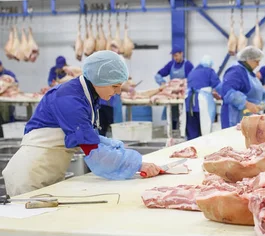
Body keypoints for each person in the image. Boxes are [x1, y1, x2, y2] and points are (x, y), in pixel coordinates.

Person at [2, 51, 162, 196]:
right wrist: (137, 164)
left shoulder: (86, 96)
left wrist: (114, 146)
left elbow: (89, 137)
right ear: (99, 80)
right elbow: (94, 153)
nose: (118, 92)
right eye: (115, 86)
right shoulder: (71, 100)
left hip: (48, 172)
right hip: (30, 177)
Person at [219, 46, 265, 129]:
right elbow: (228, 92)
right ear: (248, 59)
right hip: (235, 116)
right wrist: (247, 104)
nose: (258, 64)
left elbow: (256, 91)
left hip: (247, 116)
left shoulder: (249, 73)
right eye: (256, 61)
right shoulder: (236, 71)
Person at [154, 45, 194, 130]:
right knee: (172, 115)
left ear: (181, 54)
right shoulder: (171, 64)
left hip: (183, 94)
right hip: (172, 94)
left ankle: (183, 133)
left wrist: (183, 85)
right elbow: (158, 75)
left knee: (183, 116)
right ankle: (172, 133)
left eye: (176, 55)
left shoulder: (188, 65)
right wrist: (163, 83)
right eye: (173, 56)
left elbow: (192, 79)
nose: (175, 58)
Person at [185, 55, 221, 139]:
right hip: (202, 104)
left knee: (192, 132)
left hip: (189, 105)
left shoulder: (192, 72)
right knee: (204, 131)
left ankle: (190, 150)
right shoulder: (209, 71)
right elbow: (218, 86)